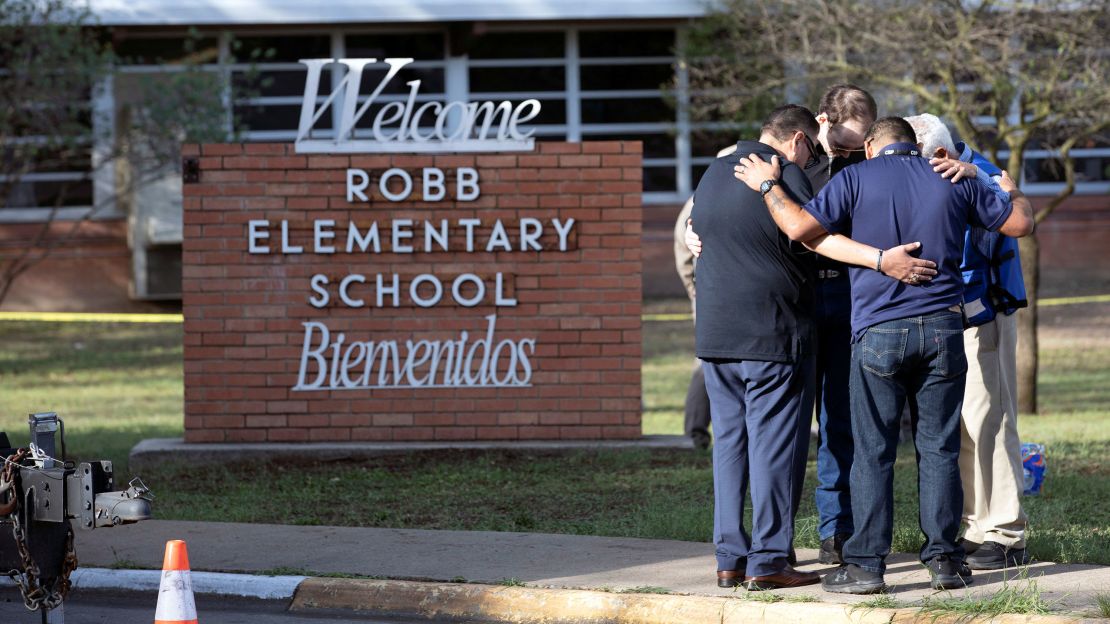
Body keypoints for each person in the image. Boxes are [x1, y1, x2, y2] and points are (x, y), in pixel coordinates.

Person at [733, 117, 1034, 593]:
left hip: (877, 332)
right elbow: (1020, 223)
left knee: (873, 451)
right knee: (939, 448)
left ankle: (866, 566)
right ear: (915, 146)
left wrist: (768, 183)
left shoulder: (853, 177)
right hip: (943, 330)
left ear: (870, 147)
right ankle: (944, 560)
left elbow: (797, 227)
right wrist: (1009, 189)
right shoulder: (951, 175)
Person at [692, 106, 933, 591]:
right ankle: (769, 560)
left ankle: (728, 558)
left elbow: (698, 233)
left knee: (730, 448)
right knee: (775, 448)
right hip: (772, 333)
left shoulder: (712, 173)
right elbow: (815, 234)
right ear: (799, 140)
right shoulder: (785, 175)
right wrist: (881, 259)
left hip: (715, 334)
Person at [907, 114, 1032, 570]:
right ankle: (976, 525)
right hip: (947, 316)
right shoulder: (949, 170)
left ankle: (1005, 534)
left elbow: (1012, 222)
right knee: (962, 424)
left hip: (984, 315)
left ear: (940, 155)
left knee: (991, 421)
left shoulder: (982, 176)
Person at [673, 197, 711, 450]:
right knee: (705, 364)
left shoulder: (704, 192)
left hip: (707, 292)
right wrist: (695, 291)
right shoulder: (701, 197)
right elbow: (682, 245)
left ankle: (694, 432)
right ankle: (695, 432)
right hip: (709, 294)